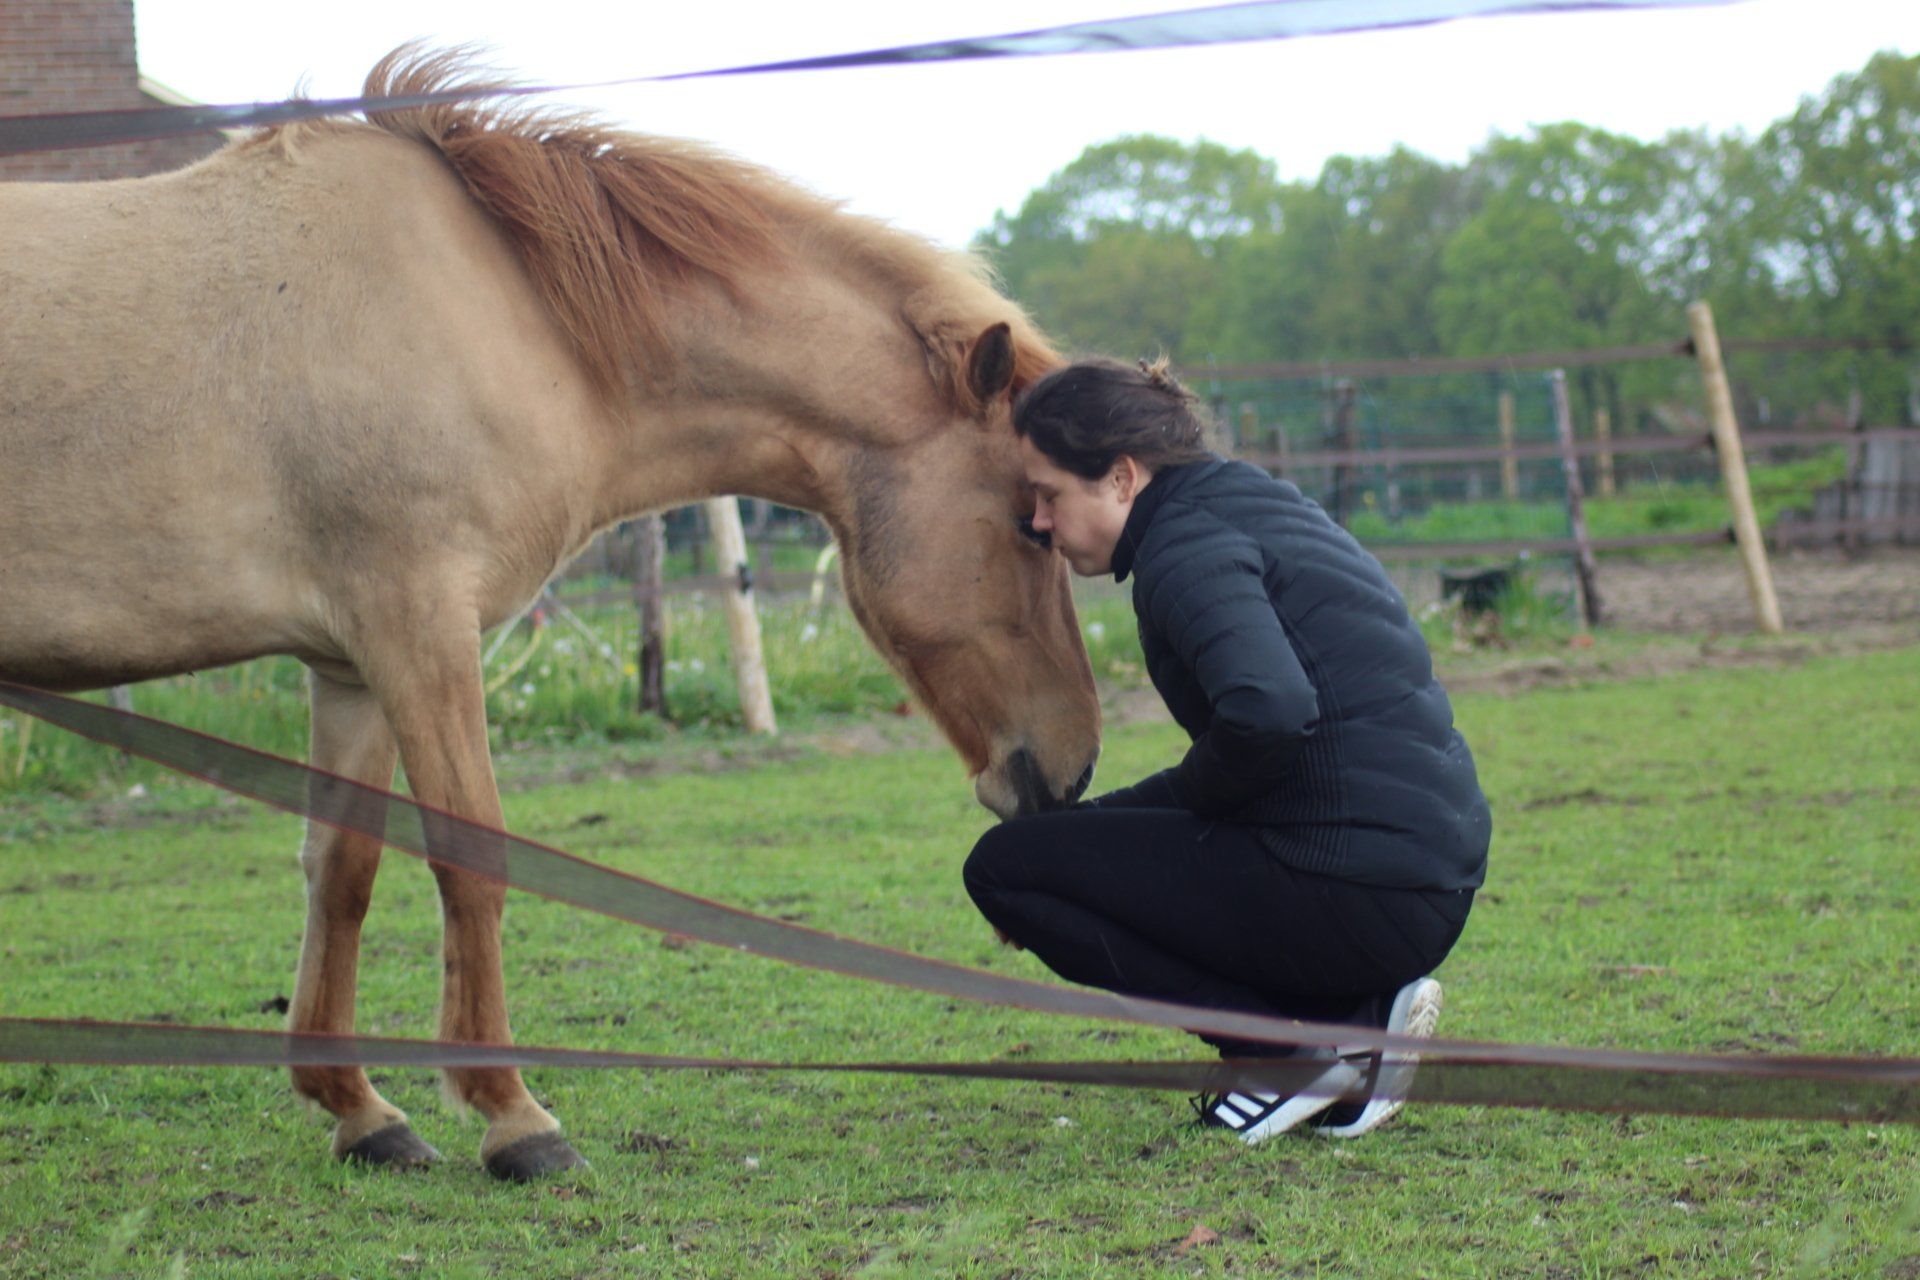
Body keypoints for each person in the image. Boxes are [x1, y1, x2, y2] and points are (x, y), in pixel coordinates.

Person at [964, 359, 1491, 1144]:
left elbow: (1270, 715)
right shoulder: (1246, 501)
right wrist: (1110, 825)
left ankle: (1282, 1052)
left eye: (1048, 495)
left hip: (1359, 887)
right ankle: (1351, 1020)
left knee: (1005, 870)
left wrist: (1154, 812)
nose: (1038, 522)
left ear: (1119, 476)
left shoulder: (1182, 552)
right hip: (1421, 880)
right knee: (1047, 853)